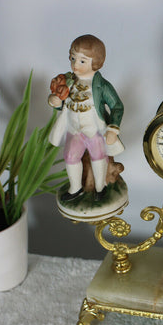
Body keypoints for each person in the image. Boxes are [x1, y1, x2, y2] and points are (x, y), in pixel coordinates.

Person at [48, 34, 124, 201]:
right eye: (73, 58)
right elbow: (62, 100)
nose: (75, 64)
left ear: (95, 62)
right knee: (70, 156)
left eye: (82, 61)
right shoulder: (68, 81)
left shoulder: (101, 86)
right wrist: (55, 101)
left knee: (98, 157)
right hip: (74, 129)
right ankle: (75, 188)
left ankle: (100, 187)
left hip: (94, 130)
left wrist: (112, 129)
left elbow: (117, 106)